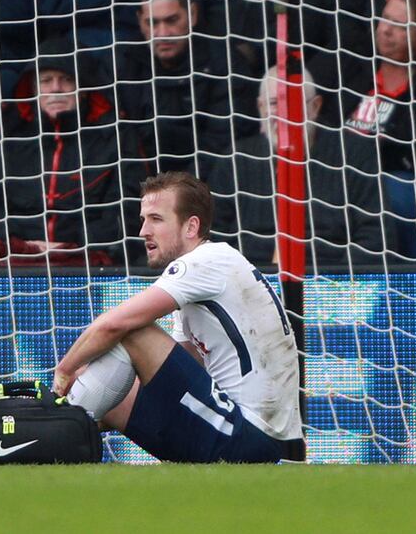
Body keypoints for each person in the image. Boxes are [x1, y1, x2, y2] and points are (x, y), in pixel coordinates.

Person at [51, 172, 304, 463]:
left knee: (135, 332)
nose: (144, 230)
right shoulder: (210, 272)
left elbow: (114, 325)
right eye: (144, 219)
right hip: (247, 435)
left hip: (248, 437)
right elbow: (179, 369)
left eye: (156, 219)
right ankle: (60, 433)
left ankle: (52, 437)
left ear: (191, 226)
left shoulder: (202, 263)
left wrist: (66, 370)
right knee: (108, 394)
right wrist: (97, 387)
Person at [0, 37, 148, 266]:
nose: (55, 88)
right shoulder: (5, 139)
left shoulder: (116, 138)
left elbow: (128, 207)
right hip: (15, 259)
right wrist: (24, 244)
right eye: (46, 80)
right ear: (33, 89)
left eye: (66, 80)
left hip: (91, 261)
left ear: (83, 89)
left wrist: (70, 248)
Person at [198, 67, 387, 271]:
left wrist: (336, 284)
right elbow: (213, 235)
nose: (284, 114)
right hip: (248, 281)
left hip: (332, 280)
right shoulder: (235, 158)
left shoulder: (355, 154)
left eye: (294, 102)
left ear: (315, 107)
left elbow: (375, 236)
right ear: (260, 107)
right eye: (273, 103)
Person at [116, 0, 257, 172]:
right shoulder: (127, 63)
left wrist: (180, 191)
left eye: (172, 20)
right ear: (139, 22)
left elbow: (222, 142)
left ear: (193, 14)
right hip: (147, 184)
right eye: (152, 23)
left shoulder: (225, 63)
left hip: (208, 183)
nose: (163, 33)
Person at [343, 0, 416, 261]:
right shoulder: (353, 69)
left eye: (399, 25)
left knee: (397, 192)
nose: (385, 30)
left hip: (388, 182)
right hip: (339, 176)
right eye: (385, 19)